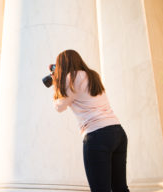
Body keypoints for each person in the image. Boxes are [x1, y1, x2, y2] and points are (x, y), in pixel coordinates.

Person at [52, 49, 129, 192]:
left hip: (97, 135)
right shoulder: (93, 75)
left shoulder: (70, 78)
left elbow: (59, 107)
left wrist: (56, 84)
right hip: (118, 132)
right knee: (120, 188)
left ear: (62, 65)